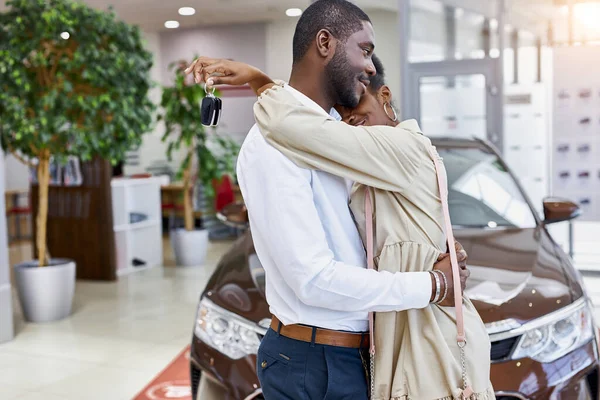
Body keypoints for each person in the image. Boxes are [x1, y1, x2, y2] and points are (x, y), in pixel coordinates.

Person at [186, 2, 472, 400]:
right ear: (325, 42)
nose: (371, 67)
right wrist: (430, 284)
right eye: (365, 49)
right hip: (316, 362)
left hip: (360, 354)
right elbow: (313, 279)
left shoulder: (339, 134)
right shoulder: (273, 144)